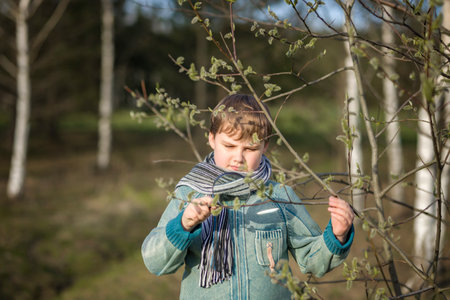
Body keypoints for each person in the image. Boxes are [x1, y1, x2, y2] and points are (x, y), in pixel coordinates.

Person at [141, 94, 355, 299]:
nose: (238, 157)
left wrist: (337, 236)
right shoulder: (189, 194)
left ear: (265, 146)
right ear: (212, 139)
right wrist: (183, 225)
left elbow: (312, 260)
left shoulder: (279, 198)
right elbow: (155, 263)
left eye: (250, 148)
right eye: (229, 146)